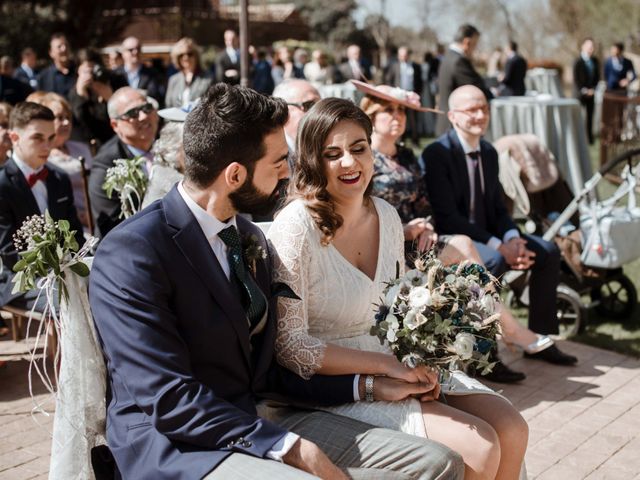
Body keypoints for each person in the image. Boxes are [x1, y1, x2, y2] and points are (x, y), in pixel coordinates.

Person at [89, 83, 464, 480]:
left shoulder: (248, 238)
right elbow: (169, 399)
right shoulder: (134, 252)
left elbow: (265, 372)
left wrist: (370, 387)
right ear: (235, 174)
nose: (289, 172)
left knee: (438, 463)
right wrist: (289, 447)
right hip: (177, 446)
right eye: (278, 162)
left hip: (256, 418)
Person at [268, 97, 528, 479]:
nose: (350, 163)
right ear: (311, 161)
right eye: (333, 153)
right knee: (480, 444)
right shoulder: (295, 227)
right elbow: (291, 347)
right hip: (334, 382)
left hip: (394, 362)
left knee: (511, 426)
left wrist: (425, 353)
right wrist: (384, 370)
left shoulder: (387, 216)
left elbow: (394, 311)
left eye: (359, 149)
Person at [423, 85, 578, 366]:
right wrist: (500, 247)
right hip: (453, 237)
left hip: (491, 235)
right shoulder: (437, 153)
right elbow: (447, 216)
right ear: (453, 116)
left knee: (548, 251)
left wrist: (513, 238)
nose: (480, 115)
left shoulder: (489, 152)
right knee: (491, 260)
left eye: (484, 108)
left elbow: (497, 207)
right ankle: (487, 354)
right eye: (472, 109)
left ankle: (539, 339)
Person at [0, 102, 84, 311]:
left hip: (64, 272)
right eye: (38, 138)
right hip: (18, 280)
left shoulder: (59, 178)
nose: (47, 147)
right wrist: (54, 271)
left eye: (51, 138)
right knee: (69, 303)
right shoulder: (2, 184)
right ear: (14, 138)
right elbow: (9, 253)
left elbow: (75, 234)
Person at [88, 87, 159, 238]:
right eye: (132, 113)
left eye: (146, 108)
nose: (143, 116)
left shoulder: (169, 146)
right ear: (115, 125)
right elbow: (113, 225)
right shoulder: (106, 166)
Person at [27, 92, 93, 231]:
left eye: (68, 117)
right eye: (59, 118)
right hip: (65, 225)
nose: (66, 123)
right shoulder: (40, 157)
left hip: (94, 217)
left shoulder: (81, 148)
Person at [436, 24, 493, 136]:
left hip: (447, 122)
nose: (474, 49)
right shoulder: (459, 62)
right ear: (467, 42)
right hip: (456, 126)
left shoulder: (448, 57)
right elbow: (477, 90)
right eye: (475, 44)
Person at [67, 48, 120, 146]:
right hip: (90, 145)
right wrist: (81, 95)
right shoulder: (74, 93)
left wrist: (111, 99)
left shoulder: (114, 82)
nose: (91, 75)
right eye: (86, 71)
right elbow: (79, 123)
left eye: (94, 69)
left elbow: (123, 116)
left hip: (114, 141)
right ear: (78, 71)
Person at [272, 79, 321, 171]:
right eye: (310, 105)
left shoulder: (326, 147)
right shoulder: (269, 155)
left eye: (321, 106)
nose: (320, 114)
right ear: (283, 111)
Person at [385, 46, 424, 145]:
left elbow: (420, 81)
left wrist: (418, 93)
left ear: (408, 55)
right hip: (398, 96)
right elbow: (389, 79)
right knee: (399, 117)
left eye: (405, 55)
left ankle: (415, 140)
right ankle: (400, 140)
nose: (403, 57)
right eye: (401, 56)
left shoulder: (415, 66)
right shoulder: (394, 66)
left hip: (411, 95)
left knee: (413, 119)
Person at [114, 36, 164, 105]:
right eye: (131, 50)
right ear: (123, 53)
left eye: (138, 49)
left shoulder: (153, 74)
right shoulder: (115, 74)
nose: (135, 52)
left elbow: (155, 96)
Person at [165, 37, 213, 108]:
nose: (185, 58)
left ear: (196, 56)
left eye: (189, 54)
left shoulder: (208, 78)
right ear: (177, 58)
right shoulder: (173, 80)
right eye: (181, 55)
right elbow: (168, 105)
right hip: (175, 119)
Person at [573, 38, 600, 145]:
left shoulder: (595, 61)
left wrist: (593, 89)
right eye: (589, 47)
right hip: (579, 95)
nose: (591, 49)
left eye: (592, 47)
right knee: (578, 117)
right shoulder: (577, 61)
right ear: (583, 47)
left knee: (590, 117)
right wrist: (584, 90)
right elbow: (576, 79)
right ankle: (577, 139)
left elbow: (597, 77)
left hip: (591, 94)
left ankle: (589, 139)